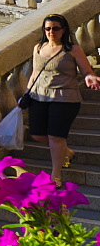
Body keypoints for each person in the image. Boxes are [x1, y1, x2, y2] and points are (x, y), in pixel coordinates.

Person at [25, 14, 100, 182]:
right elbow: (35, 74)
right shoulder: (38, 48)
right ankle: (67, 152)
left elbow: (86, 70)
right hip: (39, 96)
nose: (51, 32)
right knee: (36, 134)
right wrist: (26, 93)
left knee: (56, 137)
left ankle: (56, 175)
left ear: (63, 29)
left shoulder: (72, 49)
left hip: (65, 99)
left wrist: (90, 77)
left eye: (55, 28)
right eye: (48, 28)